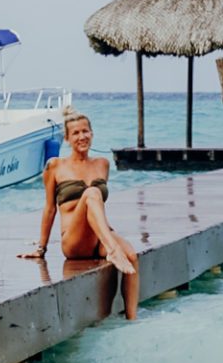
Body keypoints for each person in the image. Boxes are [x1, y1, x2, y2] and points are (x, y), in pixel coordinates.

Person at [18, 107, 139, 320]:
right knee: (92, 192)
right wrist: (41, 248)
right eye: (75, 133)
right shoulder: (55, 166)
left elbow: (98, 208)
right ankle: (112, 250)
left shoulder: (102, 164)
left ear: (92, 133)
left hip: (99, 236)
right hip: (73, 242)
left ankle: (132, 319)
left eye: (85, 131)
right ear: (66, 138)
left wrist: (109, 234)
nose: (82, 136)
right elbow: (49, 208)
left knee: (131, 256)